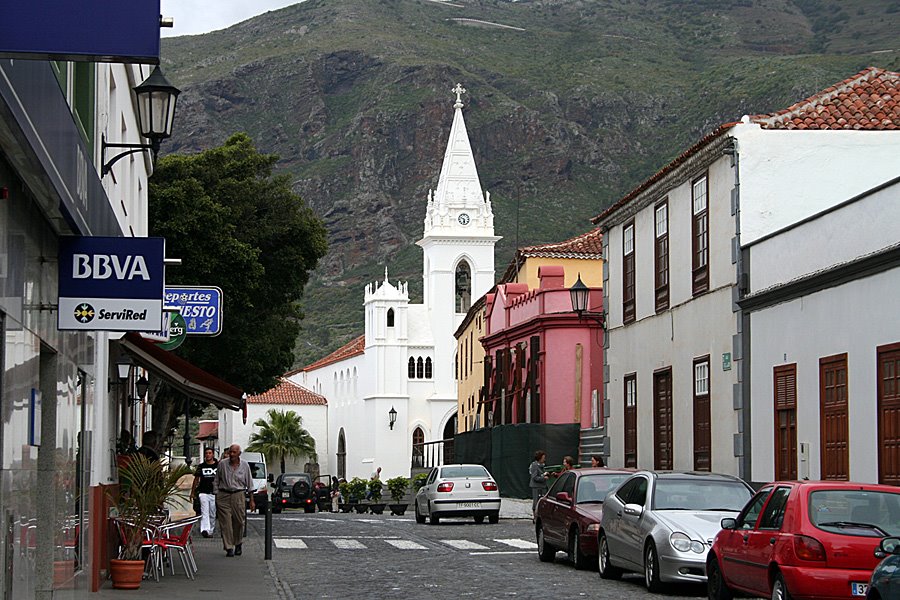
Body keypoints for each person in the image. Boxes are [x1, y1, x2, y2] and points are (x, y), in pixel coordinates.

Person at [216, 444, 255, 557]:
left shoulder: (245, 465)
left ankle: (238, 543)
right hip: (223, 494)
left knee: (239, 521)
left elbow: (250, 483)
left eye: (234, 452)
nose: (231, 454)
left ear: (239, 454)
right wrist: (216, 494)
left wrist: (252, 500)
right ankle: (229, 547)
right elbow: (217, 479)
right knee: (226, 523)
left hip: (238, 494)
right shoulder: (222, 464)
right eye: (230, 452)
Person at [190, 447, 219, 538]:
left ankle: (211, 530)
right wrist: (193, 492)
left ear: (213, 454)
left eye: (210, 453)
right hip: (203, 492)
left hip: (214, 492)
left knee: (212, 512)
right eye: (206, 453)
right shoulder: (201, 466)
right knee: (204, 511)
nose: (208, 455)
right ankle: (205, 530)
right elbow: (196, 479)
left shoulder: (218, 466)